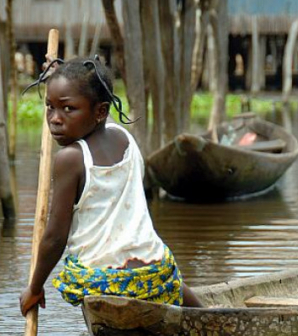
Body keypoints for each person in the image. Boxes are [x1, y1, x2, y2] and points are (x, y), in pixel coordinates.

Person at [19, 56, 203, 317]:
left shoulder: (69, 159)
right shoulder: (124, 138)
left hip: (104, 283)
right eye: (50, 106)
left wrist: (34, 287)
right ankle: (209, 316)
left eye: (68, 109)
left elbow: (55, 237)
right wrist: (61, 77)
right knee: (166, 274)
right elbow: (85, 89)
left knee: (71, 271)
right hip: (155, 272)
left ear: (100, 111)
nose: (55, 119)